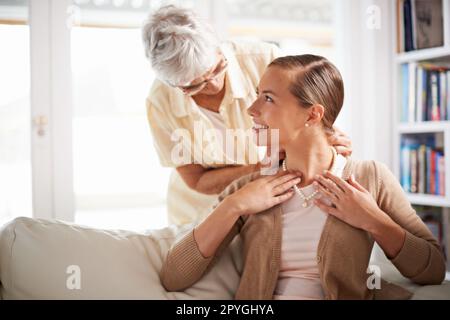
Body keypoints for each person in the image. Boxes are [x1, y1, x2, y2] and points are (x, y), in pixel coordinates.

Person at [159, 54, 446, 299]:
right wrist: (234, 205)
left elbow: (433, 270)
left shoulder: (370, 177)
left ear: (312, 116)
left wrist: (373, 220)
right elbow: (174, 276)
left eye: (267, 98)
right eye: (257, 94)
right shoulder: (248, 189)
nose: (251, 109)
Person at [141, 5, 352, 226]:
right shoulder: (160, 102)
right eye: (194, 86)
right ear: (174, 84)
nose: (213, 85)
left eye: (217, 68)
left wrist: (327, 136)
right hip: (198, 212)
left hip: (271, 206)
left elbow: (305, 111)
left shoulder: (265, 60)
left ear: (218, 46)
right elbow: (197, 180)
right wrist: (264, 167)